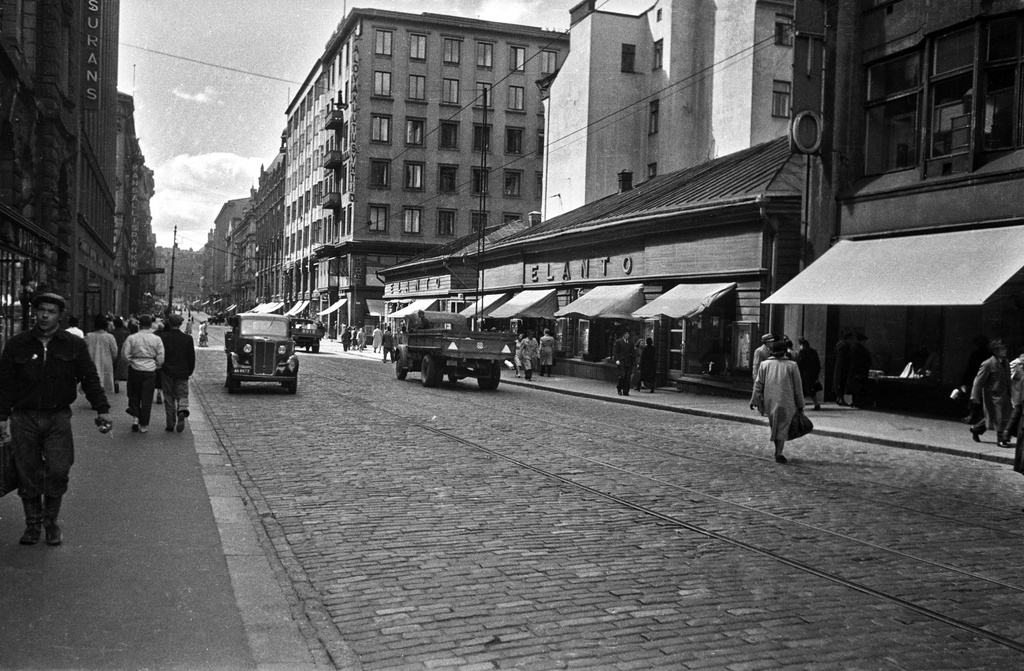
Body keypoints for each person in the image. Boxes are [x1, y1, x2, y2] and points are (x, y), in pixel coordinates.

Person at [0, 293, 112, 545]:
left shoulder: (73, 344)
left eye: (50, 311)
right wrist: (2, 416)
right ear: (35, 313)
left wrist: (101, 409)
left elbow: (89, 377)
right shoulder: (17, 344)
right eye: (41, 310)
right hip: (23, 417)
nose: (44, 315)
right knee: (26, 471)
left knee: (58, 469)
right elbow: (4, 383)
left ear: (59, 316)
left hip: (58, 417)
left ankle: (51, 523)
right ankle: (33, 526)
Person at [750, 339, 805, 464]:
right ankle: (779, 452)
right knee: (782, 426)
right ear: (785, 351)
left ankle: (778, 451)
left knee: (775, 425)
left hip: (770, 402)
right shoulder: (792, 366)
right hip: (787, 401)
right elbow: (798, 388)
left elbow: (758, 384)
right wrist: (800, 404)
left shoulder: (764, 365)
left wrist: (754, 400)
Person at [121, 314, 165, 434]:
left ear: (139, 324)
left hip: (135, 368)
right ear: (151, 325)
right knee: (147, 398)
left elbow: (125, 354)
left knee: (134, 394)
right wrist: (156, 364)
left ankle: (135, 418)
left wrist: (130, 362)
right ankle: (144, 425)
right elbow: (161, 356)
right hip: (150, 369)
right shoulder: (156, 339)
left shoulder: (132, 338)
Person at [157, 313, 196, 433]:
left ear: (169, 323)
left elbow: (161, 355)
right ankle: (182, 411)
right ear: (180, 324)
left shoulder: (163, 337)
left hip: (167, 371)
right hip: (183, 371)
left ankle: (170, 422)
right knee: (182, 394)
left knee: (168, 396)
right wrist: (189, 371)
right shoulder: (187, 339)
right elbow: (191, 357)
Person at [970, 338, 1012, 447]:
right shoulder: (988, 363)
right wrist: (975, 396)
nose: (1005, 351)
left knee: (994, 416)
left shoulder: (1006, 362)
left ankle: (976, 429)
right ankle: (1001, 440)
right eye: (1002, 349)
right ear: (995, 351)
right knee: (998, 416)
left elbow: (1008, 379)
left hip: (1004, 394)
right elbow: (978, 381)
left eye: (1005, 348)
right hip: (993, 395)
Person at [958, 335, 991, 423]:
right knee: (980, 398)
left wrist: (964, 380)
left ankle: (973, 416)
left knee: (975, 397)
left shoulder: (976, 353)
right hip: (985, 378)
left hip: (976, 377)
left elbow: (970, 367)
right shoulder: (989, 354)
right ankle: (976, 416)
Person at [84, 314, 119, 395]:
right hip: (106, 361)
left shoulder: (89, 336)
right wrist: (111, 359)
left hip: (91, 361)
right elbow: (114, 351)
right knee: (104, 380)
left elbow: (84, 349)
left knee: (93, 380)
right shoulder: (110, 337)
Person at [846, 332, 872, 409]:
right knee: (860, 388)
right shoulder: (861, 350)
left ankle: (855, 402)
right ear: (862, 341)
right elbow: (859, 362)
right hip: (860, 372)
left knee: (855, 387)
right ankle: (859, 403)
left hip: (854, 371)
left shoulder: (854, 348)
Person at [796, 337, 822, 411]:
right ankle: (816, 404)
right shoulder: (814, 352)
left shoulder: (802, 352)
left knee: (801, 390)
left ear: (802, 345)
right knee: (812, 390)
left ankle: (799, 406)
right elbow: (818, 364)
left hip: (804, 374)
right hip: (813, 374)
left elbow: (799, 363)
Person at [612, 330, 636, 396]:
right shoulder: (618, 341)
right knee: (622, 376)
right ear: (624, 335)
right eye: (626, 334)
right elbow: (615, 351)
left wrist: (634, 360)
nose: (627, 335)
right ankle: (619, 388)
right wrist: (616, 359)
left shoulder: (630, 342)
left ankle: (626, 391)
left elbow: (633, 352)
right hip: (621, 361)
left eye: (628, 334)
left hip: (628, 361)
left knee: (628, 377)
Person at [833, 331, 854, 406]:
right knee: (842, 383)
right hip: (843, 368)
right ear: (847, 339)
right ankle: (841, 400)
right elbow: (845, 358)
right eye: (850, 339)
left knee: (838, 383)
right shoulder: (845, 346)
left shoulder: (838, 344)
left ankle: (838, 399)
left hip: (838, 367)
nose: (851, 341)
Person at [111, 317, 131, 392]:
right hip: (123, 352)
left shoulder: (111, 333)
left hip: (114, 352)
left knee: (114, 367)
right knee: (120, 368)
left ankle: (115, 382)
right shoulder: (126, 333)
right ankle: (117, 381)